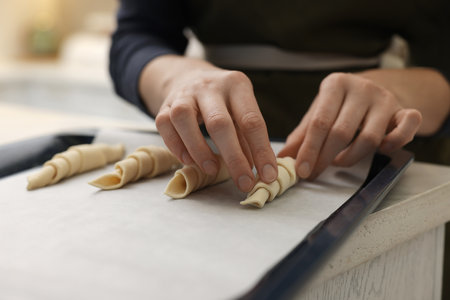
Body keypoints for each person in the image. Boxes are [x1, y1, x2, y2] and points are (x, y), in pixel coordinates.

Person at [109, 0, 450, 193]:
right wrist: (179, 78)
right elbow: (137, 35)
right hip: (205, 148)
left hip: (375, 165)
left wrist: (398, 92)